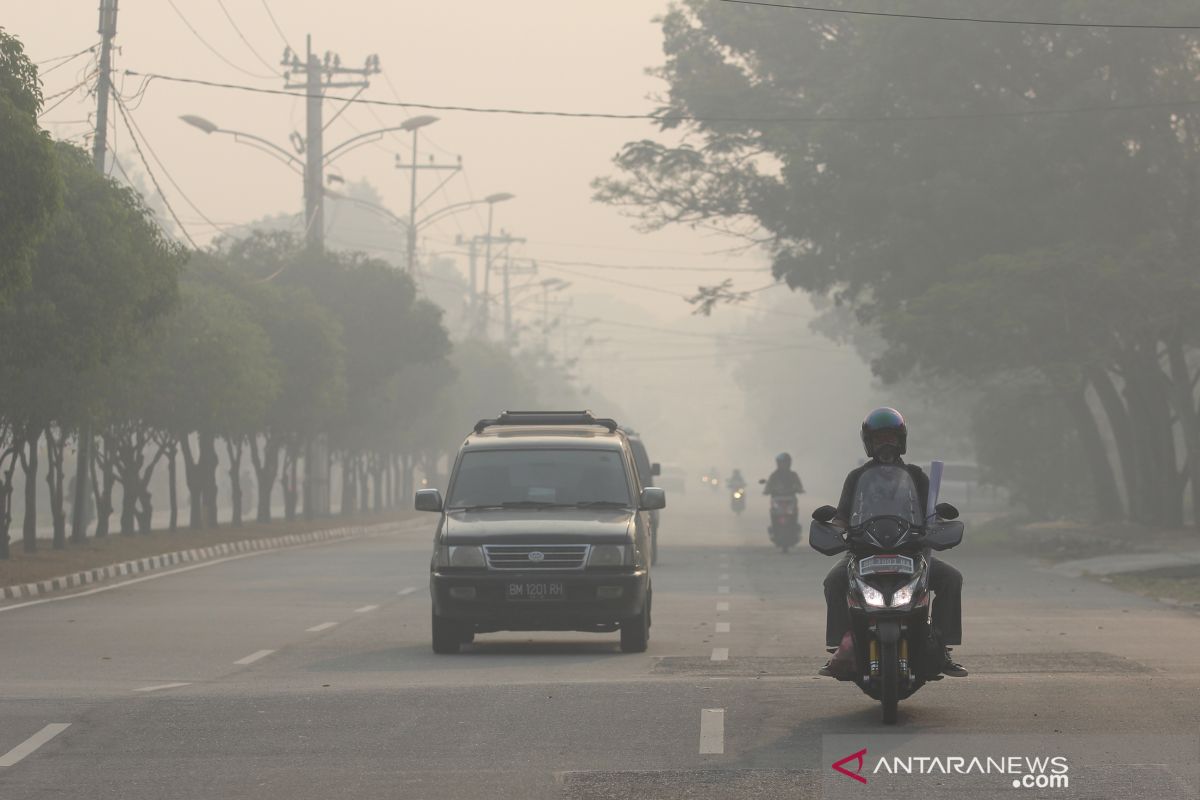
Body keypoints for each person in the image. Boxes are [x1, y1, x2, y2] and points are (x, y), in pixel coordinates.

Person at [819, 407, 967, 678]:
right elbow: (841, 517)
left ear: (901, 441)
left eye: (891, 438)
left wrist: (936, 524)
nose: (886, 444)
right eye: (879, 439)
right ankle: (843, 648)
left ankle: (941, 648)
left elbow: (930, 515)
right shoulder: (856, 478)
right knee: (833, 581)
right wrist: (832, 530)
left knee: (951, 578)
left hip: (911, 552)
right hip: (863, 552)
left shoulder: (916, 476)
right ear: (869, 443)